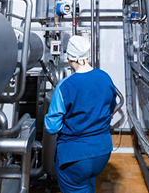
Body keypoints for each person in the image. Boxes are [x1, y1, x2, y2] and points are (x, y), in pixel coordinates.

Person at [44, 35, 117, 193]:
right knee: (88, 184)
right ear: (87, 55)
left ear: (69, 58)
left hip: (74, 157)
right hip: (102, 152)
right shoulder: (105, 77)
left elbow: (52, 127)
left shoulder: (65, 86)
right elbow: (111, 106)